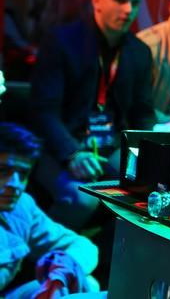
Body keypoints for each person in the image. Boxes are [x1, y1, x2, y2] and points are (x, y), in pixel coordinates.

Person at [31, 0, 156, 230]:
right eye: (120, 0)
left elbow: (143, 113)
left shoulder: (139, 51)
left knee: (151, 190)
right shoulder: (61, 41)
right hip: (60, 145)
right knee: (81, 200)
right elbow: (44, 111)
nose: (128, 10)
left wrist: (149, 153)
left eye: (134, 3)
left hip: (111, 144)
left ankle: (109, 253)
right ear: (97, 1)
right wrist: (72, 153)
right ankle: (44, 253)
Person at [0, 123, 101, 298]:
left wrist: (61, 272)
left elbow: (82, 245)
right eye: (2, 171)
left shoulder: (21, 206)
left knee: (83, 283)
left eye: (22, 174)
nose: (15, 184)